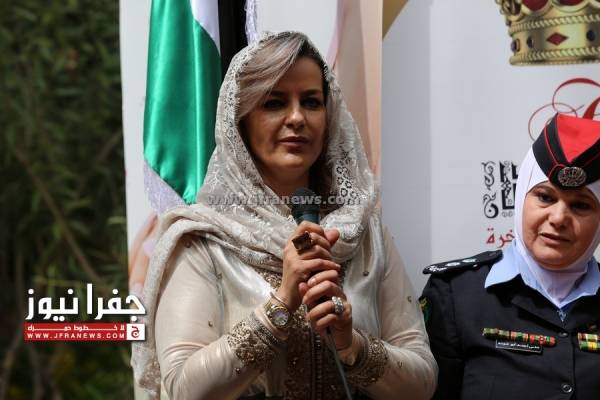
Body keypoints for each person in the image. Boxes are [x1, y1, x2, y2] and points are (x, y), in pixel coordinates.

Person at [131, 31, 437, 400]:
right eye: (274, 103)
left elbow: (422, 384)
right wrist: (281, 303)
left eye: (311, 102)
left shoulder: (365, 233)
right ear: (240, 121)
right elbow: (185, 390)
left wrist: (351, 344)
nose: (296, 118)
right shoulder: (204, 239)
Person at [421, 113, 600, 399]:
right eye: (545, 197)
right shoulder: (455, 295)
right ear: (520, 198)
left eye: (581, 205)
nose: (558, 218)